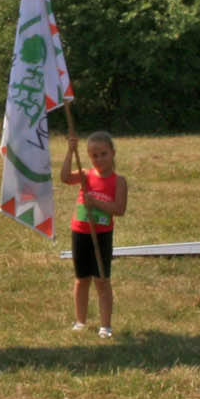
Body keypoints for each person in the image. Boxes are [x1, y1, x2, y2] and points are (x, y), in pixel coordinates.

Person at [62, 131, 127, 339]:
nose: (99, 159)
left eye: (103, 154)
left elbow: (119, 209)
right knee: (82, 279)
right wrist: (70, 151)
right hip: (80, 232)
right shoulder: (85, 175)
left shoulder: (119, 181)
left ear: (113, 153)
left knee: (102, 280)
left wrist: (96, 203)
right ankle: (80, 321)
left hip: (102, 235)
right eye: (94, 156)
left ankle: (105, 326)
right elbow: (65, 177)